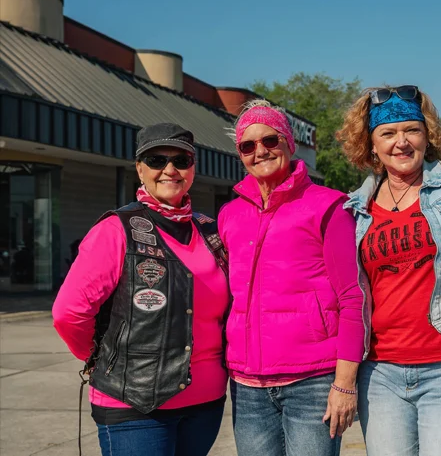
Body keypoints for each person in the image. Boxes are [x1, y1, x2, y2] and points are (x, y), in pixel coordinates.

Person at [52, 123, 230, 456]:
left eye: (181, 160)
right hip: (134, 405)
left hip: (206, 403)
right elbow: (69, 313)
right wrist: (100, 357)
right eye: (156, 159)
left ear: (194, 167)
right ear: (139, 169)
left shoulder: (210, 231)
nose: (170, 169)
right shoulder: (115, 230)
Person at [336, 85, 441, 456]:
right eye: (388, 134)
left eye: (412, 130)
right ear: (371, 144)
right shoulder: (357, 207)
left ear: (427, 136)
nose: (401, 142)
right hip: (380, 372)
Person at [219, 100, 364, 456]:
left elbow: (353, 297)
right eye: (248, 146)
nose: (260, 151)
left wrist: (344, 384)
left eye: (270, 140)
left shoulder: (328, 207)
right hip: (247, 384)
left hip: (312, 382)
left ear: (288, 142)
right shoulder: (229, 215)